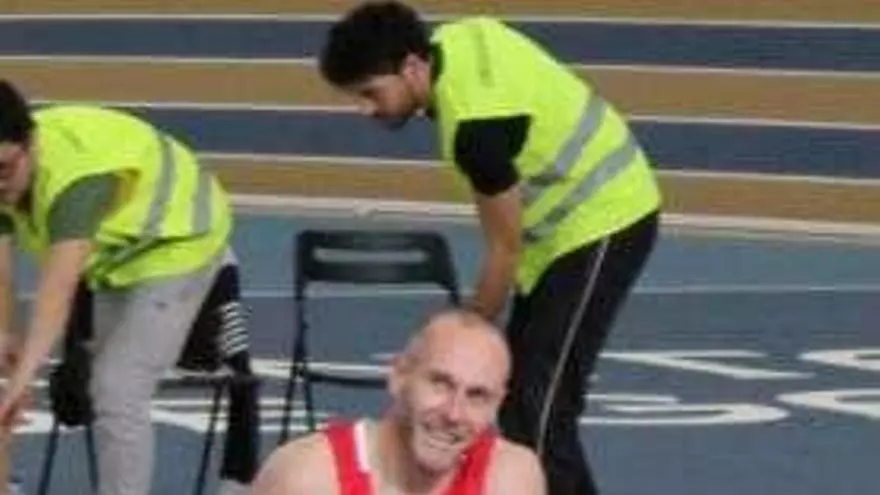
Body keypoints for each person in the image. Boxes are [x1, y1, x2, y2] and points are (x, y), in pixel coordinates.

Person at [318, 3, 662, 494]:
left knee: (542, 408)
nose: (366, 109)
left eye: (371, 92)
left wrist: (461, 335)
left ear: (412, 67)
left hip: (606, 217)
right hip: (557, 240)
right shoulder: (458, 38)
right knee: (518, 401)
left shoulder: (476, 132)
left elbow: (504, 249)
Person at [0, 79, 258, 495]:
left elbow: (57, 291)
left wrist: (23, 378)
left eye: (4, 169)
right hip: (118, 261)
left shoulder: (76, 181)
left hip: (179, 242)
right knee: (103, 390)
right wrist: (4, 333)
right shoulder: (10, 171)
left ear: (31, 145)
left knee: (118, 386)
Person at [250, 308, 546, 495]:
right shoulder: (309, 478)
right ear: (399, 376)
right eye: (440, 383)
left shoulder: (510, 479)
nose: (454, 413)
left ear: (497, 406)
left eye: (477, 395)